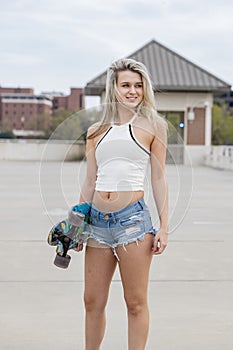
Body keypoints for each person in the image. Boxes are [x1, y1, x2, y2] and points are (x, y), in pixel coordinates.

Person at [76, 58, 168, 350]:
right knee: (92, 301)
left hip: (134, 225)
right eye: (126, 85)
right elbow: (90, 182)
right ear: (113, 89)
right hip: (97, 226)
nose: (132, 91)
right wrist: (76, 226)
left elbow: (159, 178)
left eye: (138, 85)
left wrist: (164, 227)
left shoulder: (154, 126)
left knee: (135, 303)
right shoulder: (95, 131)